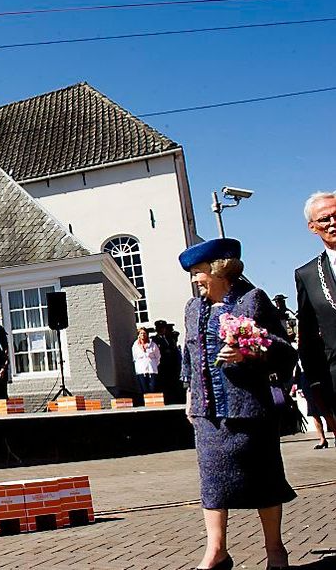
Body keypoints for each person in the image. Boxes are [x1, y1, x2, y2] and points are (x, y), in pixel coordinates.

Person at [179, 238, 296, 570]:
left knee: (265, 480)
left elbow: (284, 350)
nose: (194, 280)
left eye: (199, 272)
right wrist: (190, 396)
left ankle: (275, 549)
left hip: (249, 410)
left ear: (219, 270)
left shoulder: (252, 300)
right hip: (208, 413)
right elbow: (190, 356)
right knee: (212, 483)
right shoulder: (192, 308)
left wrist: (249, 352)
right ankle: (216, 551)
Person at [295, 191, 336, 448]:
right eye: (325, 219)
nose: (333, 223)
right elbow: (308, 335)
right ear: (313, 227)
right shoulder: (308, 275)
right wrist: (316, 386)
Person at [132, 328, 161, 396]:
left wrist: (154, 364)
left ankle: (153, 401)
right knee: (144, 387)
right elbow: (135, 358)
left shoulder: (153, 344)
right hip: (141, 370)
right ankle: (146, 402)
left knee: (152, 387)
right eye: (141, 333)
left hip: (151, 368)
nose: (143, 335)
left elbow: (158, 356)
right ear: (138, 335)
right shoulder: (135, 346)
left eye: (144, 333)